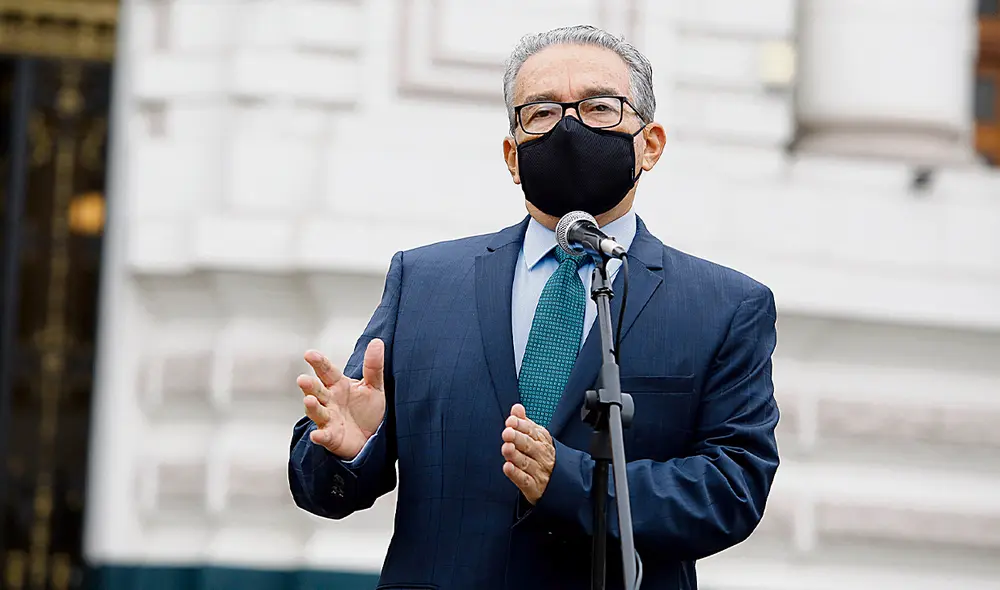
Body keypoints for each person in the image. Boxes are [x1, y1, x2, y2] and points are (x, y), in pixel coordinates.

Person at [288, 24, 779, 590]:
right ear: (512, 154)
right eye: (541, 113)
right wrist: (355, 448)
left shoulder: (723, 306)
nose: (569, 128)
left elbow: (733, 489)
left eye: (599, 107)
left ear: (650, 143)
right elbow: (319, 483)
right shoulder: (423, 283)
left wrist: (569, 483)